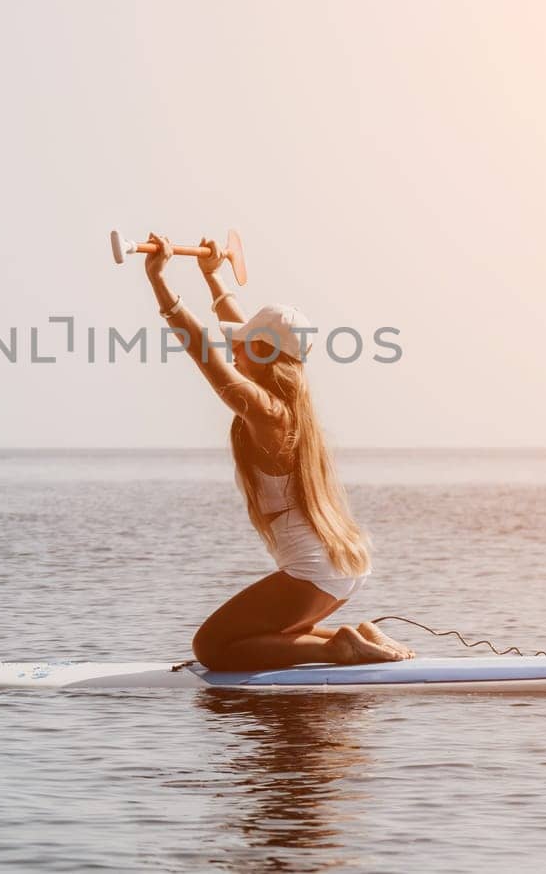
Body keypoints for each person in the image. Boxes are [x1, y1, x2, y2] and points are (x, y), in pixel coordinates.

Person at [140, 232, 415, 671]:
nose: (234, 345)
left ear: (263, 354)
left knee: (212, 647)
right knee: (258, 634)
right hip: (340, 568)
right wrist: (212, 277)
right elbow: (241, 330)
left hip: (315, 572)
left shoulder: (268, 413)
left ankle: (335, 650)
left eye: (244, 343)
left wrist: (160, 285)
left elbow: (206, 356)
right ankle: (357, 637)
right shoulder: (289, 408)